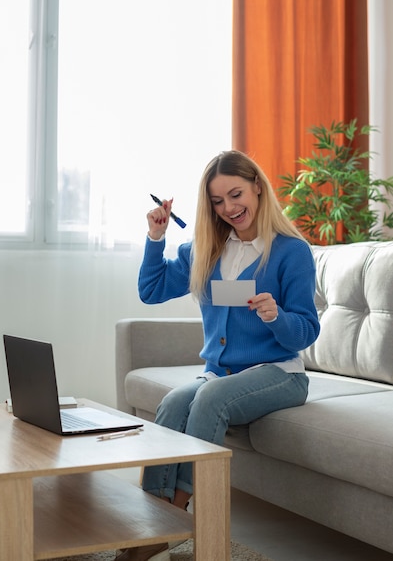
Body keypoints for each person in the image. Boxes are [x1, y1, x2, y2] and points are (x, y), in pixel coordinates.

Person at [117, 150, 320, 561]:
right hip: (220, 372)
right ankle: (152, 513)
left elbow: (306, 331)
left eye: (236, 194)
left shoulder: (290, 251)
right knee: (173, 402)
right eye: (217, 200)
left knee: (209, 399)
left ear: (257, 188)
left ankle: (176, 517)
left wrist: (275, 315)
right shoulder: (205, 250)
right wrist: (156, 238)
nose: (229, 208)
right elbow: (151, 291)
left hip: (280, 371)